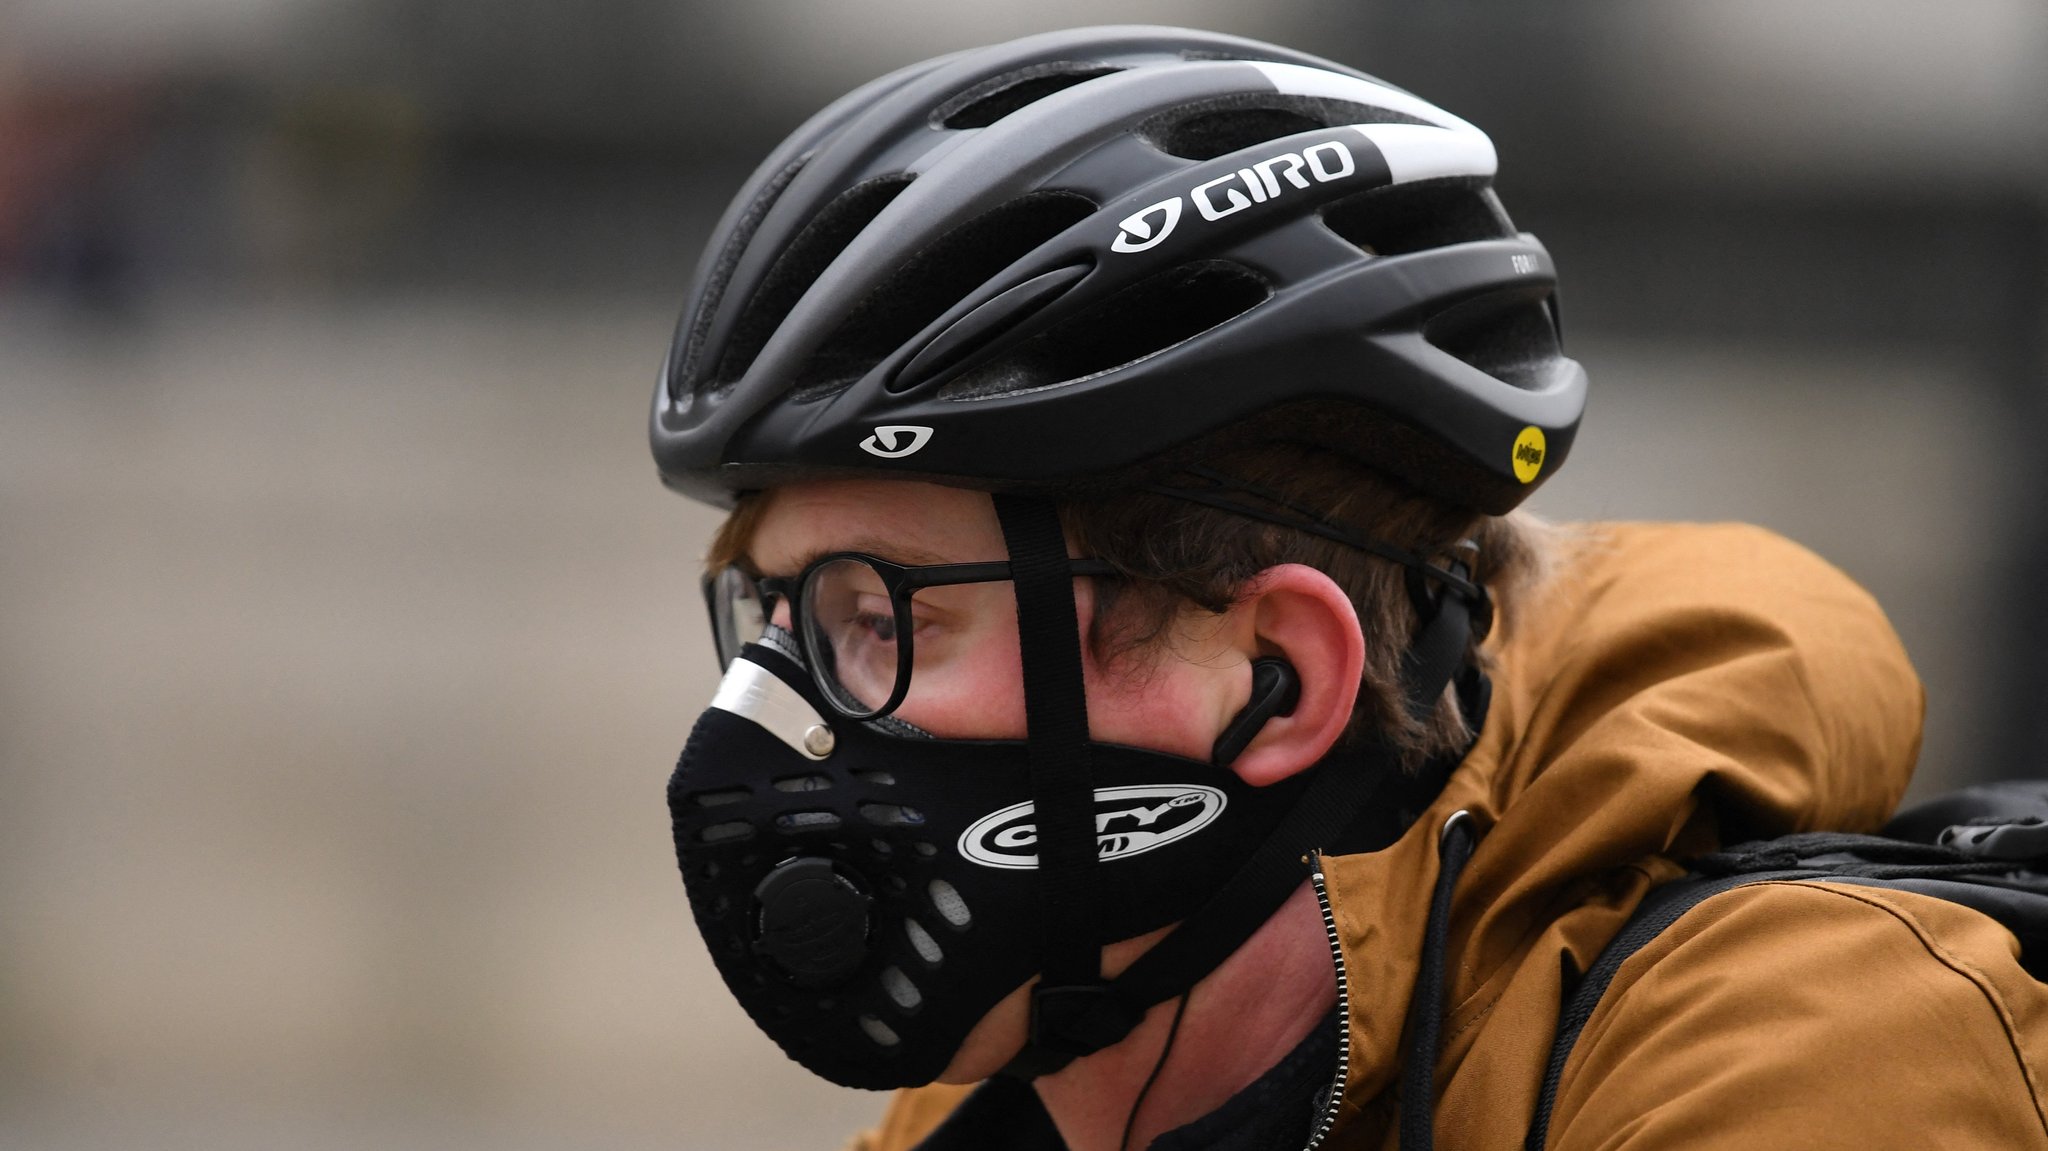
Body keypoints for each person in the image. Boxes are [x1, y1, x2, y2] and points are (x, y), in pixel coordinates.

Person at [649, 25, 2048, 1151]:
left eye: (881, 622)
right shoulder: (972, 1121)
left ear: (1277, 680)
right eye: (775, 622)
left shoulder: (1809, 1057)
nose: (759, 719)